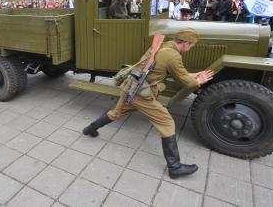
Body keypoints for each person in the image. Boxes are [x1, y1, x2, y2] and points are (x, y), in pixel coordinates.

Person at [82, 28, 214, 178]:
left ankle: (89, 129)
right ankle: (175, 167)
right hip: (141, 94)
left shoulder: (162, 46)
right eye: (191, 45)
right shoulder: (173, 55)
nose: (191, 48)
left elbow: (178, 73)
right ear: (185, 43)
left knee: (116, 113)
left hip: (130, 86)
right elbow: (186, 82)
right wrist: (198, 80)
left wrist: (196, 75)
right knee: (167, 123)